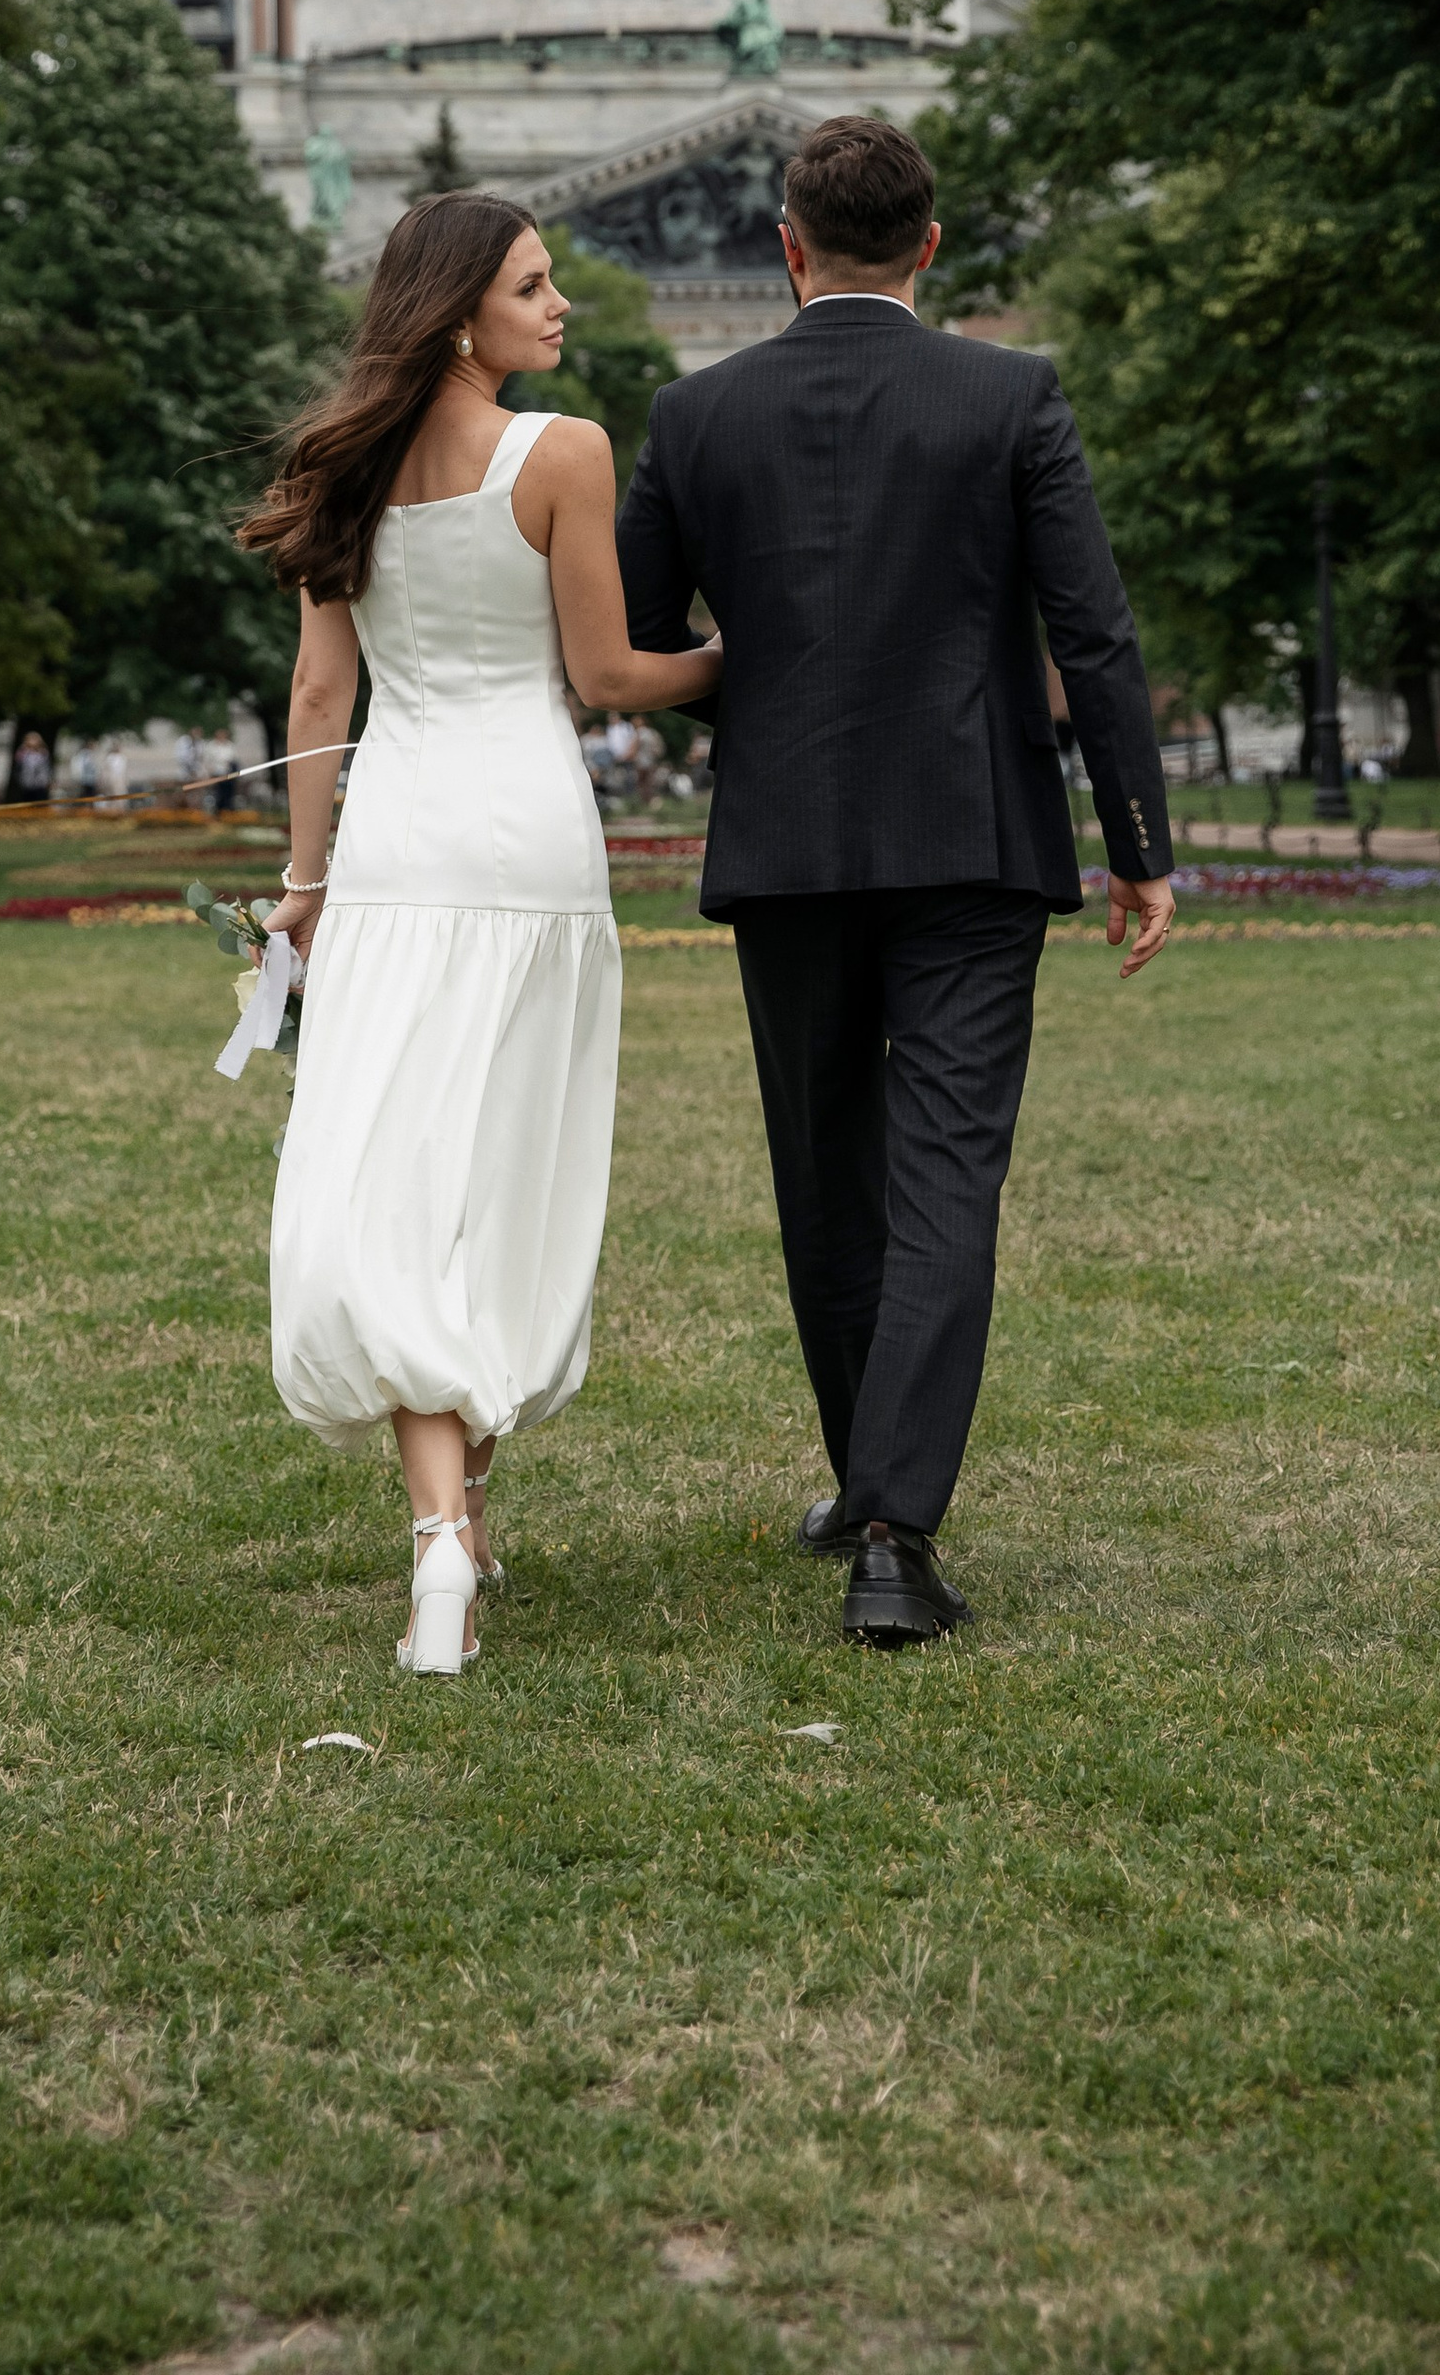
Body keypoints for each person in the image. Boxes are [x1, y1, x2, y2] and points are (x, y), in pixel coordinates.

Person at [616, 113, 1175, 1651]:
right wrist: (1140, 845)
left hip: (785, 843)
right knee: (943, 1179)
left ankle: (874, 1492)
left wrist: (773, 697)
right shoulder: (1011, 393)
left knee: (825, 1175)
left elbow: (642, 640)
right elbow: (1095, 634)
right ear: (931, 243)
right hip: (973, 843)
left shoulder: (695, 412)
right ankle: (890, 1523)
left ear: (785, 248)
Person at [243, 195, 722, 1680]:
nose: (560, 302)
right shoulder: (563, 451)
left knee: (404, 1173)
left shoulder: (336, 469)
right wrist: (737, 659)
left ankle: (450, 1531)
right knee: (506, 1169)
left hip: (396, 838)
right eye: (533, 282)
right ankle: (453, 1529)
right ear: (461, 315)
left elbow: (318, 700)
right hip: (526, 837)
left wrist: (305, 881)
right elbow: (607, 676)